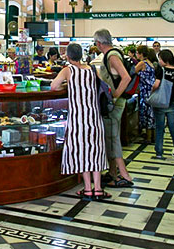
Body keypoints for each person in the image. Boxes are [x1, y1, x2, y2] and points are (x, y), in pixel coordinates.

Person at [52, 43, 108, 200]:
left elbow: (53, 86)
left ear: (68, 57)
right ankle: (98, 188)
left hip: (78, 118)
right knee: (95, 150)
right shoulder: (92, 69)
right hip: (94, 117)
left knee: (81, 150)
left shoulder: (68, 70)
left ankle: (87, 188)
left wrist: (66, 83)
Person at [92, 29, 134, 187]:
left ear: (99, 43)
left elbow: (126, 77)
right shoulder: (114, 53)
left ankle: (124, 176)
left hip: (114, 104)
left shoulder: (112, 56)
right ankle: (112, 172)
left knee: (112, 137)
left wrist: (115, 96)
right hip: (115, 103)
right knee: (109, 136)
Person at [135, 45, 156, 143]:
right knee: (151, 114)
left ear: (141, 53)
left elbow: (131, 72)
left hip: (145, 91)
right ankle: (153, 136)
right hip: (151, 91)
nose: (136, 54)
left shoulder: (142, 63)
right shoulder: (150, 63)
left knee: (146, 113)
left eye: (137, 52)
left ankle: (148, 138)